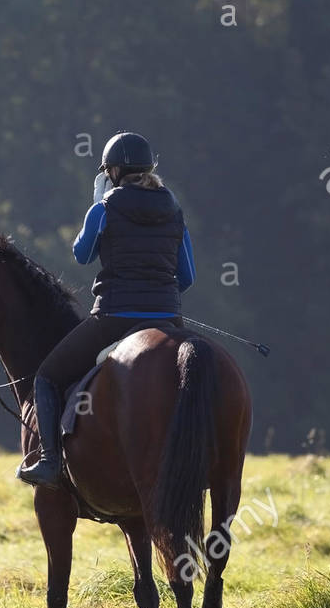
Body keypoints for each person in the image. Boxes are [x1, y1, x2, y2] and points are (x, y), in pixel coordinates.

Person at [18, 130, 196, 487]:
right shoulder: (174, 210)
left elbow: (82, 255)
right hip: (168, 319)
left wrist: (95, 206)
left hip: (115, 318)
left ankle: (51, 462)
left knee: (47, 377)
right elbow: (187, 276)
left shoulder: (105, 208)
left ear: (111, 172)